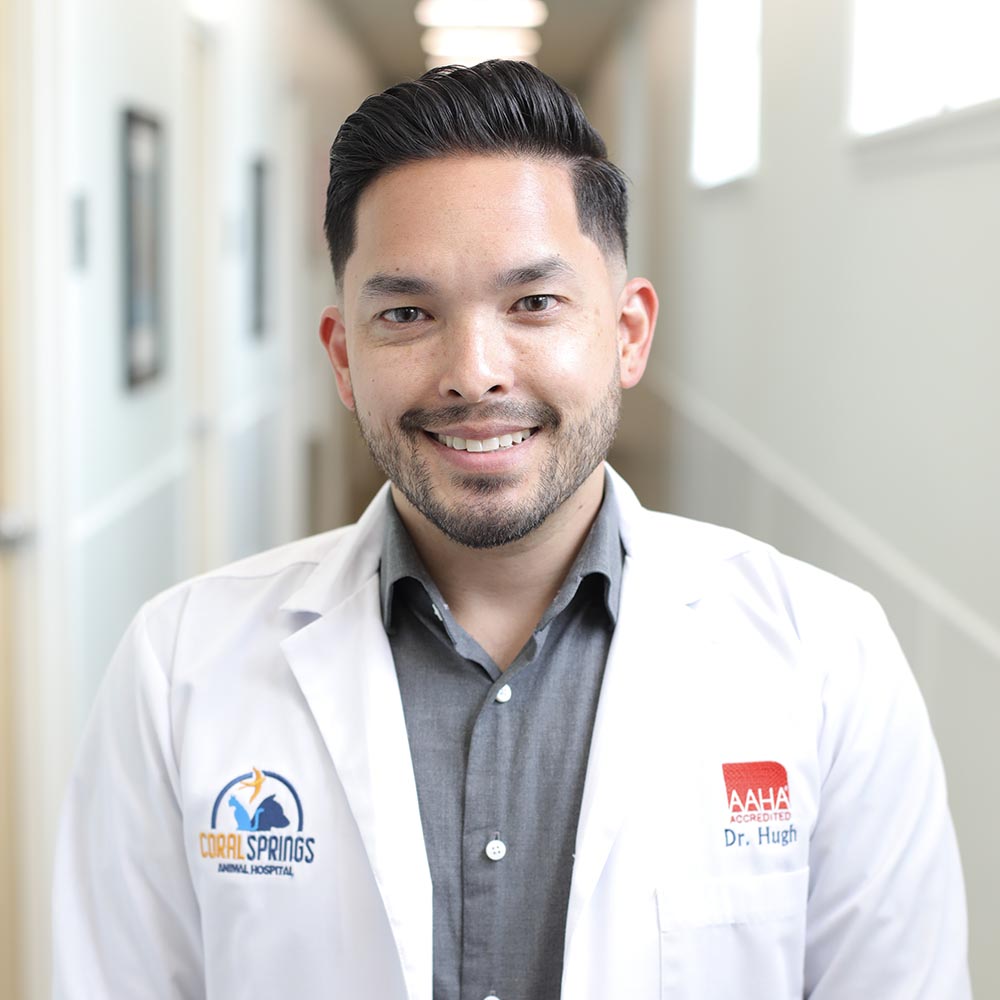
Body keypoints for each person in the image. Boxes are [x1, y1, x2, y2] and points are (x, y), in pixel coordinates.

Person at [53, 60, 970, 1000]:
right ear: (342, 356)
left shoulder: (825, 660)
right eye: (407, 313)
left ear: (627, 332)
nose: (474, 372)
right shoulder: (180, 668)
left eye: (533, 304)